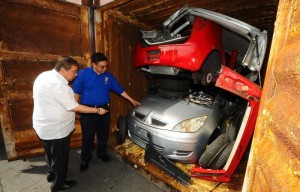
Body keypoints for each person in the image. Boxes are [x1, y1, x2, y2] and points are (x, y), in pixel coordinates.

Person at [32, 56, 108, 192]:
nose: (76, 74)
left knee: (50, 153)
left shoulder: (45, 75)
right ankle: (58, 184)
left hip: (44, 125)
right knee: (60, 157)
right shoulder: (57, 84)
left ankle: (51, 173)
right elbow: (73, 106)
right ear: (63, 69)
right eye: (74, 71)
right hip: (56, 128)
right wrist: (97, 110)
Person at [72, 52, 140, 172]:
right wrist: (76, 110)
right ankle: (85, 159)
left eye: (106, 66)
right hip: (88, 110)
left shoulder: (108, 76)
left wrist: (131, 99)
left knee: (103, 133)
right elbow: (76, 92)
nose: (105, 69)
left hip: (105, 108)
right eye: (102, 66)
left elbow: (119, 89)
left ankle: (101, 153)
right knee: (88, 136)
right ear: (94, 64)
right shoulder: (83, 74)